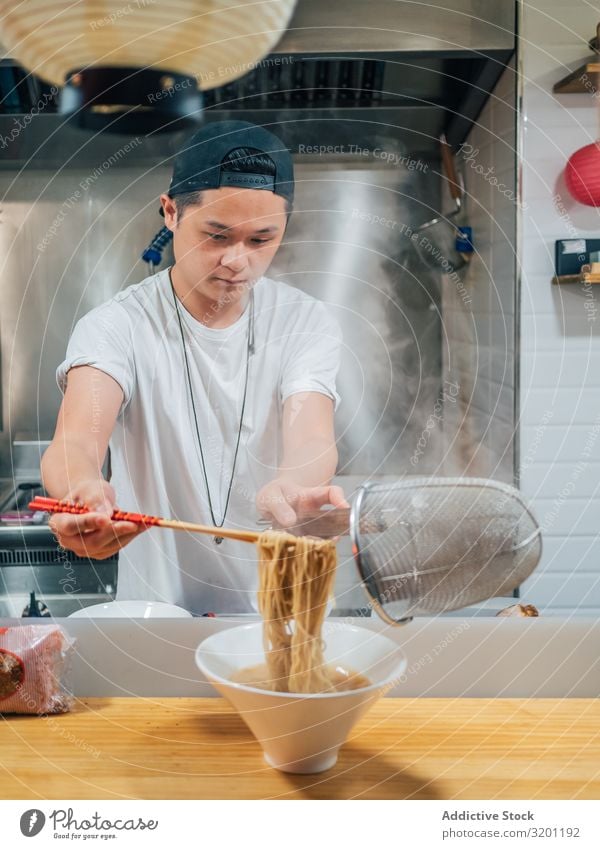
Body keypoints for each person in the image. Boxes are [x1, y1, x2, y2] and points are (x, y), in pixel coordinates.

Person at [42, 120, 347, 614]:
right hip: (159, 617)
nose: (236, 261)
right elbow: (75, 439)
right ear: (170, 212)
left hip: (281, 617)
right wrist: (83, 491)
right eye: (217, 235)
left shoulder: (304, 321)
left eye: (260, 240)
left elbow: (312, 431)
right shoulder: (118, 325)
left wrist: (291, 487)